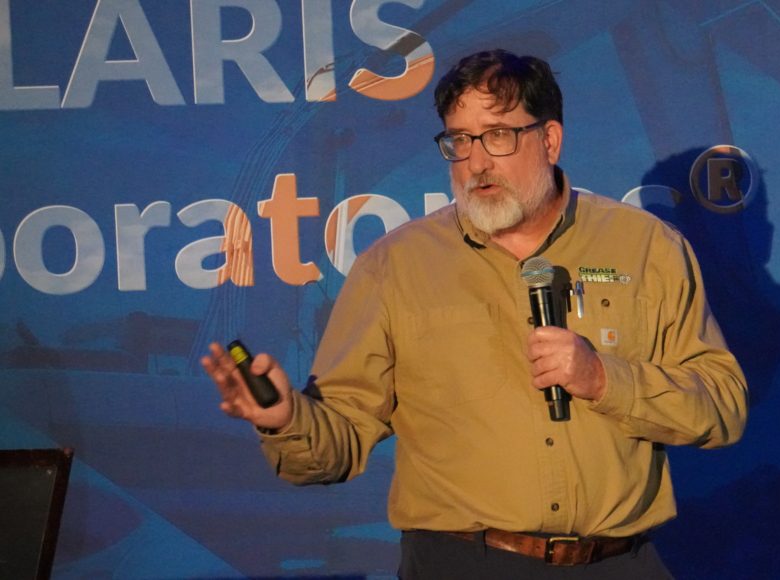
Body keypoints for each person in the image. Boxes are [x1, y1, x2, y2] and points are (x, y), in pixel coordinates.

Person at [202, 49, 748, 578]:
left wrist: (605, 379)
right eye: (459, 140)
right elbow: (337, 443)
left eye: (498, 135)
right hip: (461, 563)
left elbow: (722, 407)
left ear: (550, 140)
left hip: (616, 563)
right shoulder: (395, 267)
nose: (476, 162)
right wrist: (284, 419)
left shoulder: (646, 246)